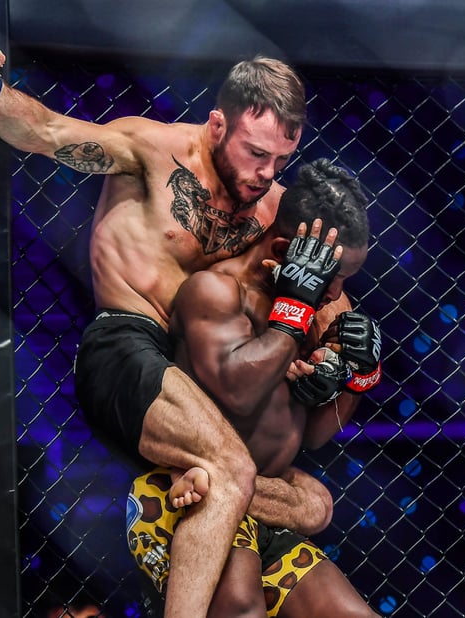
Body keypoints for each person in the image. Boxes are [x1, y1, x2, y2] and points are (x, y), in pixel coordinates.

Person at [0, 46, 341, 618]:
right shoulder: (152, 152)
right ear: (218, 125)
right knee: (233, 470)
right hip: (124, 346)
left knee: (312, 505)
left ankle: (193, 479)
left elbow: (334, 293)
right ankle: (205, 479)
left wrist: (345, 346)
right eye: (255, 153)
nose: (266, 173)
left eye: (280, 159)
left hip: (198, 377)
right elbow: (48, 131)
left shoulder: (272, 205)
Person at [127, 159, 383, 617]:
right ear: (286, 248)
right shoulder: (215, 292)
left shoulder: (309, 312)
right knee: (239, 609)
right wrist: (296, 308)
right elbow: (239, 395)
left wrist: (357, 377)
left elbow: (314, 435)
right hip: (200, 501)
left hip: (266, 507)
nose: (338, 292)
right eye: (333, 273)